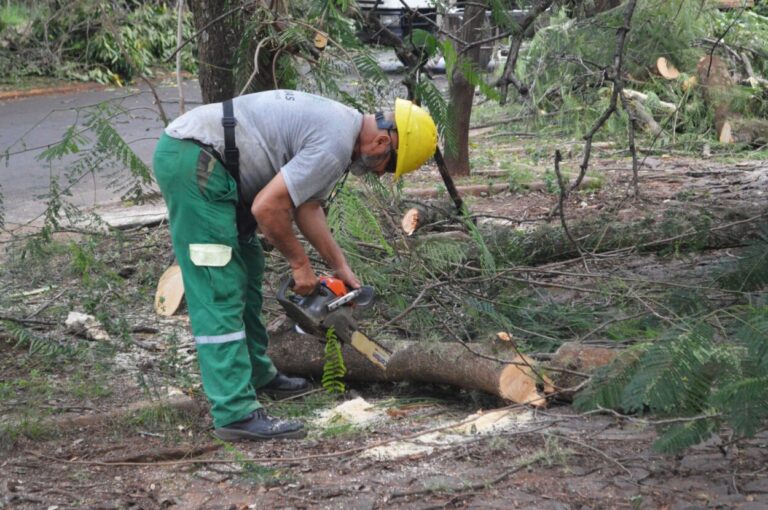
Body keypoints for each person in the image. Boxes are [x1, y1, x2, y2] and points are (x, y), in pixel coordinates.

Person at [152, 90, 437, 441]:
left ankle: (257, 373)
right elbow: (267, 208)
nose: (380, 174)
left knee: (249, 268)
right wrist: (300, 265)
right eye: (389, 165)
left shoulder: (340, 132)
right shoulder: (335, 142)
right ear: (381, 141)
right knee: (218, 285)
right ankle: (234, 412)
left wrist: (340, 267)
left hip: (213, 165)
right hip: (196, 161)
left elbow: (307, 207)